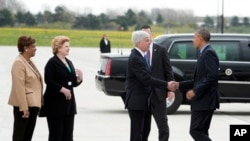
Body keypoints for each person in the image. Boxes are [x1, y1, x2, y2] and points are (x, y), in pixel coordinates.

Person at [125, 30, 175, 141]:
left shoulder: (141, 56)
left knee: (145, 132)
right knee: (137, 134)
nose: (149, 42)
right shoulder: (135, 58)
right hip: (136, 103)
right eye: (147, 40)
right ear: (138, 43)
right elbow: (146, 79)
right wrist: (166, 84)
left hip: (145, 102)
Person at [175, 28, 220, 141]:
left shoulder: (208, 53)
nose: (192, 40)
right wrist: (179, 85)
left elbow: (212, 77)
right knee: (202, 132)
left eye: (194, 37)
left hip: (205, 100)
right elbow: (198, 80)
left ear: (200, 38)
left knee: (195, 131)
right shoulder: (203, 53)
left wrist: (195, 91)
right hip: (203, 101)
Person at [39, 36, 83, 141]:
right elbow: (48, 80)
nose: (69, 48)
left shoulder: (69, 62)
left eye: (69, 46)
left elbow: (71, 82)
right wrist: (61, 89)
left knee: (68, 135)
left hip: (69, 105)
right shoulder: (52, 63)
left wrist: (79, 79)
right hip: (55, 105)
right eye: (66, 46)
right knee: (56, 134)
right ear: (58, 48)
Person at [141, 25, 175, 141]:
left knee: (163, 126)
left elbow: (168, 70)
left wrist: (170, 89)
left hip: (158, 94)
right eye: (143, 35)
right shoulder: (138, 53)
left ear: (152, 35)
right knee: (144, 128)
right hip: (143, 95)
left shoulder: (161, 50)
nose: (146, 37)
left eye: (148, 34)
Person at [8, 35, 43, 141]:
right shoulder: (18, 63)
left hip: (33, 105)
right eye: (33, 46)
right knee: (20, 135)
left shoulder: (28, 61)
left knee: (28, 135)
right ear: (25, 48)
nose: (35, 49)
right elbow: (19, 87)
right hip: (25, 106)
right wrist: (24, 108)